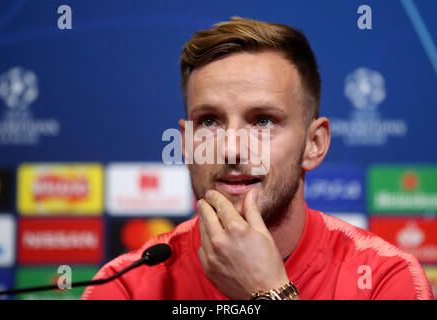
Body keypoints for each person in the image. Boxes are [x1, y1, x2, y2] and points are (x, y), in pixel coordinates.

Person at [82, 17, 432, 300]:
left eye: (263, 121)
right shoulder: (124, 286)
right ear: (186, 144)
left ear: (314, 143)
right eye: (209, 121)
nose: (232, 149)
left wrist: (267, 293)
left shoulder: (386, 279)